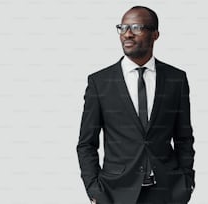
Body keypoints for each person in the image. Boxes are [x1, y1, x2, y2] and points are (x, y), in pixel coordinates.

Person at [77, 6, 195, 204]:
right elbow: (86, 143)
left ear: (155, 34)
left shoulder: (176, 79)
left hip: (167, 191)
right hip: (116, 192)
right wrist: (94, 190)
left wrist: (186, 183)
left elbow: (184, 137)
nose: (127, 34)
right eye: (122, 28)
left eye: (136, 27)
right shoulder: (100, 82)